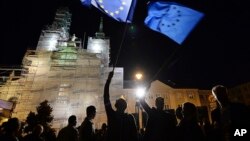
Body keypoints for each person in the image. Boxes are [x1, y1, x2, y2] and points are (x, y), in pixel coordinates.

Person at [104, 71, 138, 141]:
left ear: (118, 105)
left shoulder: (111, 114)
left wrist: (109, 79)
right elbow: (135, 135)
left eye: (119, 100)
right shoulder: (130, 118)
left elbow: (106, 97)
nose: (118, 99)